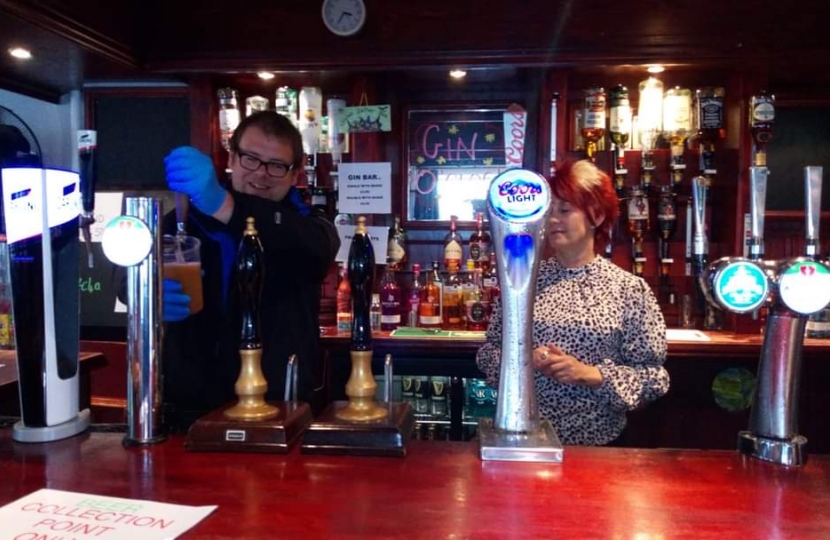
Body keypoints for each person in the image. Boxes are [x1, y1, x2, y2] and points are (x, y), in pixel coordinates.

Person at [161, 111, 340, 430]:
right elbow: (128, 275)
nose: (261, 174)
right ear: (231, 157)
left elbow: (316, 249)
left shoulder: (309, 224)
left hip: (280, 403)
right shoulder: (185, 219)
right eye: (251, 159)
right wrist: (148, 292)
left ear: (296, 174)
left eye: (276, 165)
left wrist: (223, 205)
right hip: (191, 403)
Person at [475, 160, 669, 445]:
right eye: (549, 211)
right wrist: (523, 359)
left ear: (597, 216)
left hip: (597, 446)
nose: (553, 220)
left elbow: (654, 378)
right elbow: (488, 352)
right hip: (522, 436)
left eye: (565, 210)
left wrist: (591, 374)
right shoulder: (522, 280)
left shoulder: (628, 289)